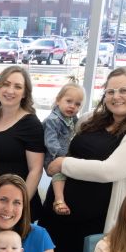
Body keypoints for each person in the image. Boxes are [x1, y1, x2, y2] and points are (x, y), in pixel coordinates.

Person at [40, 66, 126, 252]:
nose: (116, 97)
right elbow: (61, 129)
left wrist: (64, 163)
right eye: (110, 92)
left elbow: (109, 171)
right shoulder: (92, 119)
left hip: (95, 217)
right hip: (60, 206)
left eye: (123, 90)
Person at [0, 65, 46, 221]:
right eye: (6, 84)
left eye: (17, 87)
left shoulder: (31, 124)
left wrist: (18, 207)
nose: (10, 90)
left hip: (13, 210)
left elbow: (36, 171)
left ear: (24, 94)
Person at [42, 81, 85, 215]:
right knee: (59, 173)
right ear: (58, 100)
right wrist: (64, 158)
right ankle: (59, 199)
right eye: (69, 101)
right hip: (54, 157)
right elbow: (51, 142)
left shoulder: (73, 119)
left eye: (77, 104)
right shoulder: (52, 120)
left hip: (67, 155)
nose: (72, 106)